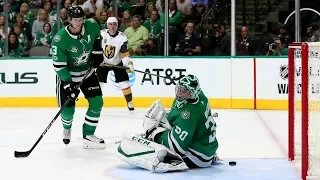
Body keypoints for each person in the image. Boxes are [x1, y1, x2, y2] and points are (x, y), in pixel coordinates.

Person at [117, 74, 219, 172]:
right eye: (179, 89)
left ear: (194, 93)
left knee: (159, 144)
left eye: (185, 92)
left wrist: (154, 133)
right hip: (206, 148)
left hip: (198, 158)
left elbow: (177, 147)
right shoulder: (200, 97)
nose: (180, 94)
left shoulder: (188, 114)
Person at [51, 5, 106, 149]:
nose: (79, 22)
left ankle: (88, 134)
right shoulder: (60, 39)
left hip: (87, 73)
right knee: (68, 110)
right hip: (68, 76)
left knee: (97, 102)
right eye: (75, 20)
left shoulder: (92, 25)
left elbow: (97, 37)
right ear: (69, 20)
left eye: (81, 19)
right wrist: (69, 84)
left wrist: (98, 52)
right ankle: (67, 128)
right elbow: (59, 66)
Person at [96, 17, 135, 112]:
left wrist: (128, 63)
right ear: (107, 25)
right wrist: (96, 60)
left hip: (117, 62)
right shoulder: (101, 34)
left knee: (124, 83)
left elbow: (124, 54)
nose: (112, 26)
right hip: (103, 63)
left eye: (114, 24)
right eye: (110, 24)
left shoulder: (122, 37)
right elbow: (96, 48)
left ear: (117, 25)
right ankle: (96, 103)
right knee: (98, 84)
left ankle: (129, 102)